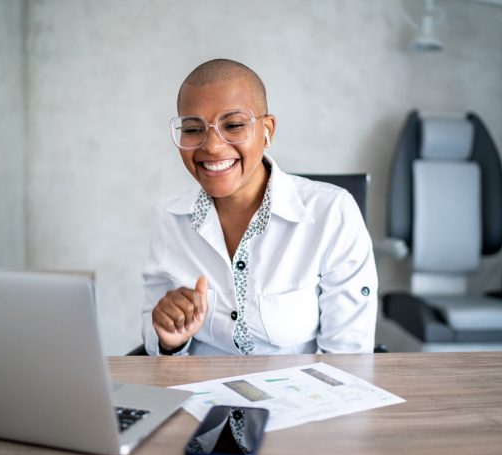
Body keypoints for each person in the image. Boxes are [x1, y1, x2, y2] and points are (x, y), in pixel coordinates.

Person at [141, 58, 377, 355]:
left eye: (234, 125)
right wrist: (168, 339)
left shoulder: (333, 213)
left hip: (301, 396)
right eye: (192, 129)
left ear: (267, 130)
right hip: (202, 395)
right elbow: (155, 346)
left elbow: (348, 357)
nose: (211, 146)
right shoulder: (171, 219)